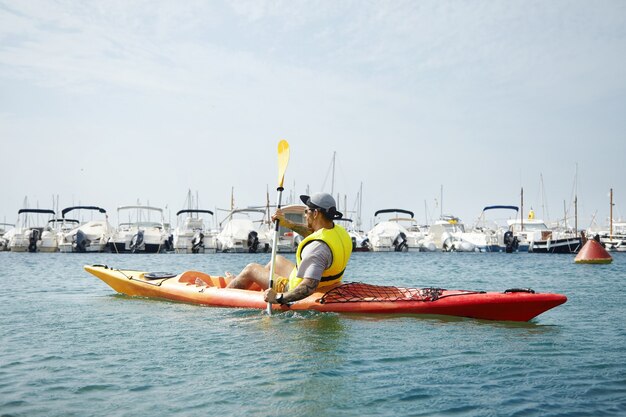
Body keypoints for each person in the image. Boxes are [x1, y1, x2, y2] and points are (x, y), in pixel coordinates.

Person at [226, 192, 353, 305]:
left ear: (315, 213)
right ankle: (254, 286)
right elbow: (312, 234)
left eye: (306, 211)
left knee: (250, 269)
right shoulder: (339, 232)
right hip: (328, 283)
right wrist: (286, 223)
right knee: (276, 261)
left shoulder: (317, 248)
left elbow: (308, 287)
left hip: (294, 289)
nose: (304, 215)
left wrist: (278, 297)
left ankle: (227, 290)